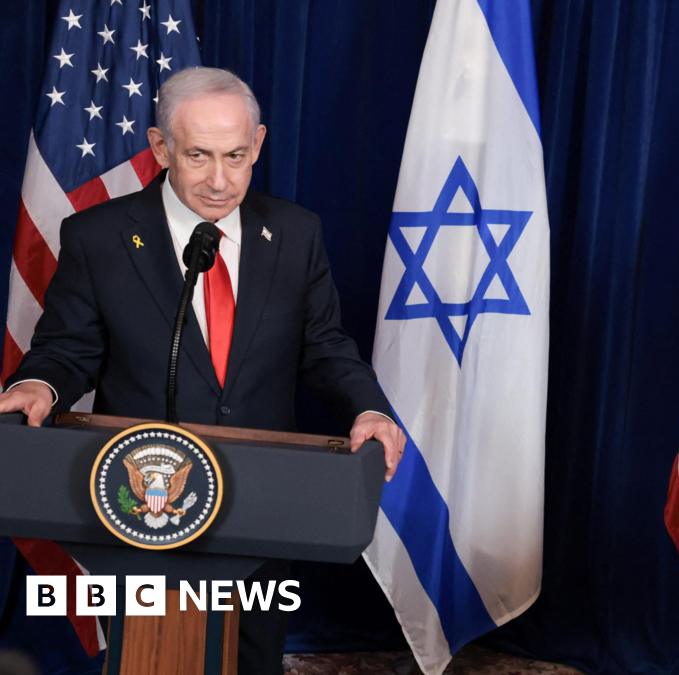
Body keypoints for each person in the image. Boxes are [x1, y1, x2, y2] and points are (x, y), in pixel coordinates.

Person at [0, 67, 405, 674]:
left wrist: (369, 408)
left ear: (259, 144)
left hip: (259, 499)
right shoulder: (101, 237)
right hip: (143, 503)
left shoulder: (295, 234)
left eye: (237, 157)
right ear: (161, 148)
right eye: (198, 156)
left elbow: (324, 346)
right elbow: (66, 347)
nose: (220, 181)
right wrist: (38, 384)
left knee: (253, 658)